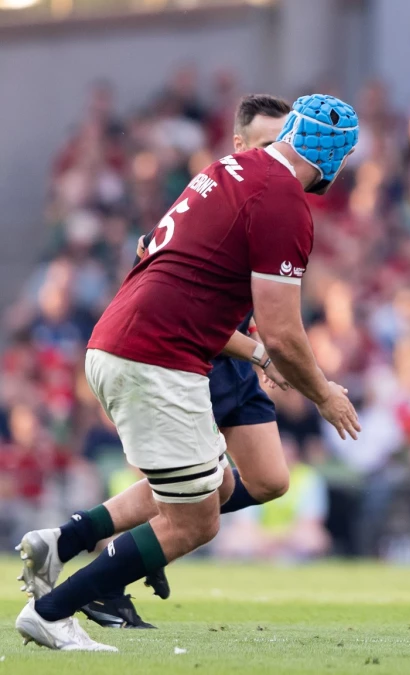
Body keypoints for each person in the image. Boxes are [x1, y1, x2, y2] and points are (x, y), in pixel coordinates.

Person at [15, 94, 362, 652]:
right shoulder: (283, 200)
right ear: (336, 160)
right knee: (196, 522)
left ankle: (71, 548)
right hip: (157, 356)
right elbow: (280, 330)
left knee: (220, 486)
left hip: (135, 343)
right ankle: (54, 610)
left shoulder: (229, 167)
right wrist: (323, 394)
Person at [65, 94, 297, 630]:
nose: (277, 157)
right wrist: (266, 352)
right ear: (238, 146)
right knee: (197, 499)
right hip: (193, 356)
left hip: (232, 355)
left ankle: (125, 546)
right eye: (265, 145)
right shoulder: (212, 191)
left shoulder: (275, 198)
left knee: (267, 480)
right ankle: (99, 568)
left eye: (283, 145)